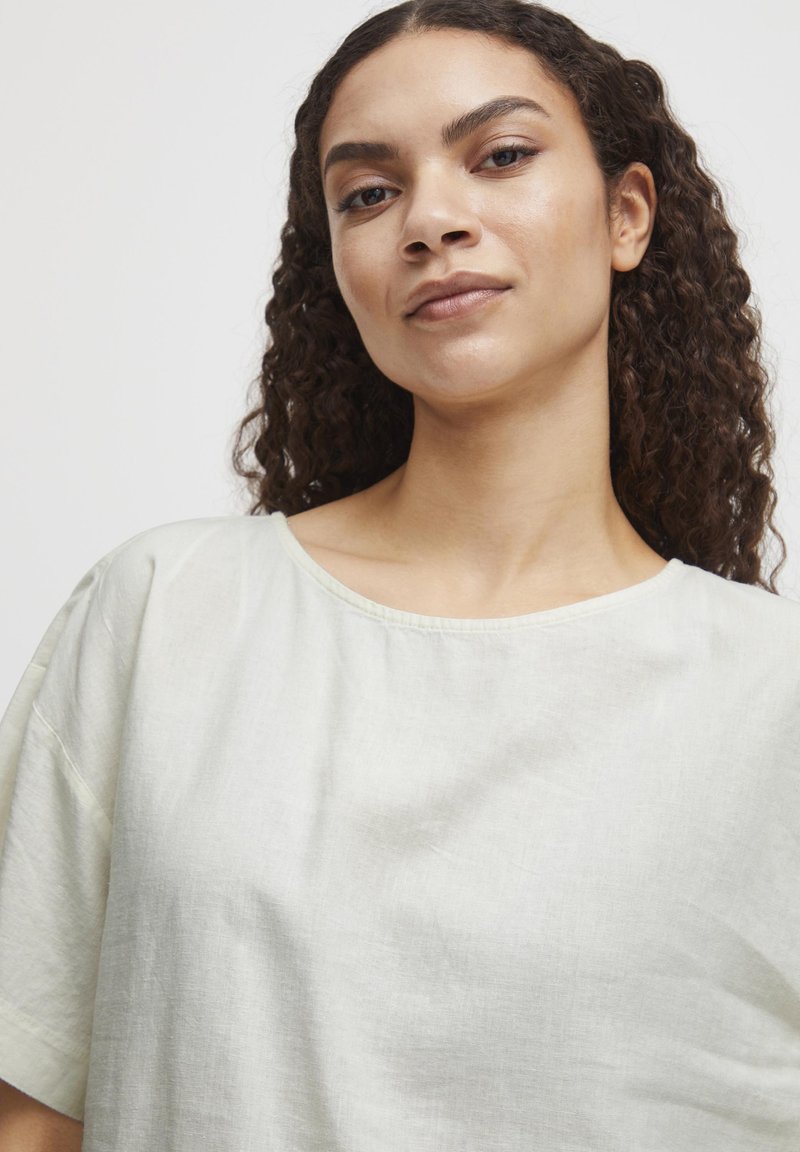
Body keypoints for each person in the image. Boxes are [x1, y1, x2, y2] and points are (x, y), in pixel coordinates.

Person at [0, 1, 798, 1149]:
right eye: (368, 194)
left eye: (500, 156)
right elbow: (30, 1114)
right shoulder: (163, 615)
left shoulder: (770, 695)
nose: (430, 220)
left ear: (624, 215)